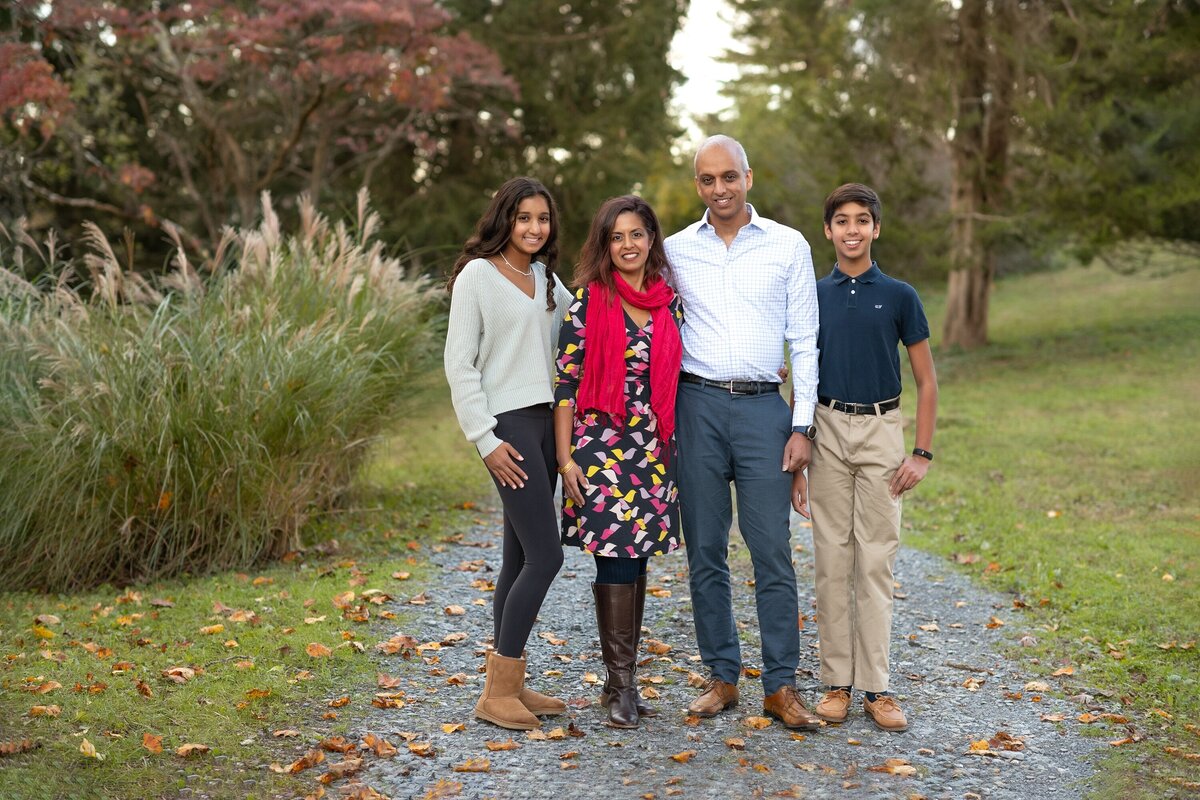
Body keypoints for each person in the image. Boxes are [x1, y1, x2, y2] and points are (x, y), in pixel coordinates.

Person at [663, 135, 822, 731]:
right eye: (708, 180)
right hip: (696, 406)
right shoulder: (675, 251)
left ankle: (781, 686)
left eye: (729, 176)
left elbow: (805, 341)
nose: (720, 188)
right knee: (705, 550)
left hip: (763, 413)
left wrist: (802, 426)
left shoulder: (788, 245)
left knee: (771, 550)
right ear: (697, 186)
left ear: (748, 178)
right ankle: (722, 676)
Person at [792, 183, 938, 732]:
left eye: (862, 221)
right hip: (826, 428)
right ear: (827, 231)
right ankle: (836, 683)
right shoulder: (813, 293)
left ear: (877, 228)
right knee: (832, 560)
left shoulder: (900, 295)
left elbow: (926, 381)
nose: (852, 230)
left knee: (874, 562)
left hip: (881, 430)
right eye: (841, 221)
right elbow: (803, 372)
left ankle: (877, 687)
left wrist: (921, 452)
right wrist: (800, 446)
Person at [444, 176, 574, 730]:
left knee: (519, 558)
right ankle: (496, 692)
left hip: (547, 425)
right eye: (524, 218)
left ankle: (511, 683)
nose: (534, 228)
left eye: (542, 219)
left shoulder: (545, 279)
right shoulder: (478, 275)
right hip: (510, 429)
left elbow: (585, 321)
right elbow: (459, 363)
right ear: (505, 218)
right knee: (548, 556)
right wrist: (486, 439)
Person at [553, 195, 684, 729]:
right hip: (599, 448)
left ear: (651, 239)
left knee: (639, 558)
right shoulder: (587, 302)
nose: (628, 244)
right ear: (604, 245)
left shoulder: (668, 302)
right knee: (616, 559)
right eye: (617, 236)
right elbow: (564, 387)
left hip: (653, 451)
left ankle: (619, 680)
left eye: (637, 234)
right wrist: (565, 461)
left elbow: (682, 368)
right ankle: (623, 686)